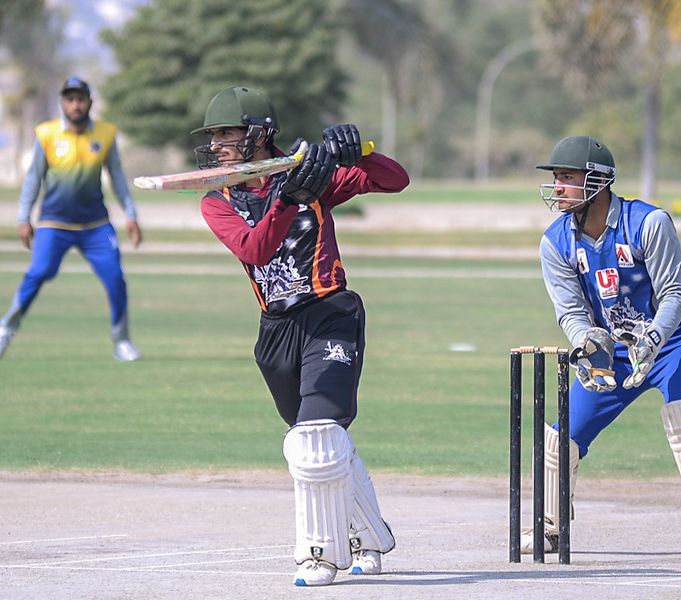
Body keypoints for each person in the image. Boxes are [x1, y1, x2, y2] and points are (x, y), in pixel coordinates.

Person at [194, 86, 409, 587]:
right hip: (277, 330)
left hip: (329, 313)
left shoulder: (311, 175)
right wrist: (288, 201)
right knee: (316, 443)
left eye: (227, 133)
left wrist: (359, 152)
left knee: (317, 435)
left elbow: (394, 180)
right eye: (214, 135)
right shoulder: (216, 201)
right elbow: (255, 249)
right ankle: (371, 535)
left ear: (259, 133)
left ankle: (318, 554)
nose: (218, 144)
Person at [525, 135, 681, 560]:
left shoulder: (648, 223)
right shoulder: (555, 242)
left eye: (567, 177)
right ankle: (550, 526)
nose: (558, 187)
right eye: (557, 178)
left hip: (673, 340)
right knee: (560, 436)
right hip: (614, 351)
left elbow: (674, 293)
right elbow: (570, 311)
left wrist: (653, 339)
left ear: (598, 181)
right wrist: (588, 341)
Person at [0, 77, 142, 362]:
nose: (75, 105)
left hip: (95, 225)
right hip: (54, 223)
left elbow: (117, 176)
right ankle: (5, 329)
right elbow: (33, 178)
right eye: (70, 99)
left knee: (115, 279)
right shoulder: (47, 134)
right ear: (63, 103)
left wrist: (131, 214)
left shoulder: (105, 134)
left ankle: (122, 341)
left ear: (89, 102)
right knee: (38, 272)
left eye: (80, 99)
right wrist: (24, 217)